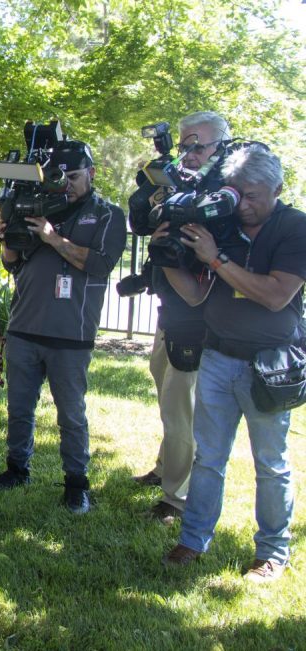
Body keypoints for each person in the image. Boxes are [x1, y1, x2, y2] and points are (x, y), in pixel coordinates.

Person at [160, 144, 305, 582]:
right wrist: (164, 255)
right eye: (235, 193)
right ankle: (193, 539)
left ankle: (271, 553)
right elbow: (194, 294)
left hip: (269, 366)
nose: (242, 204)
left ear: (277, 189)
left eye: (253, 195)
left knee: (270, 463)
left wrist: (215, 258)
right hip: (218, 356)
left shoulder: (294, 228)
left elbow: (277, 295)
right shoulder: (221, 223)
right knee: (210, 458)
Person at [0, 140, 127, 514]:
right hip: (24, 327)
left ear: (93, 174)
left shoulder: (108, 215)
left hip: (71, 335)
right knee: (19, 408)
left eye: (76, 177)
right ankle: (17, 469)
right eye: (62, 177)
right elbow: (14, 264)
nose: (67, 184)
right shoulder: (37, 205)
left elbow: (99, 264)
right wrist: (8, 237)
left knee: (71, 415)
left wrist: (52, 237)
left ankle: (76, 484)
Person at [132, 111, 231, 525]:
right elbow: (140, 220)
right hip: (168, 309)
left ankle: (177, 496)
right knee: (167, 396)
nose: (188, 153)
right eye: (185, 144)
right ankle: (166, 467)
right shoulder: (179, 184)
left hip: (196, 316)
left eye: (199, 145)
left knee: (181, 408)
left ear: (220, 147)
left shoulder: (225, 192)